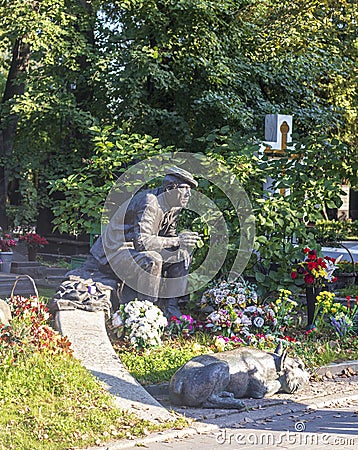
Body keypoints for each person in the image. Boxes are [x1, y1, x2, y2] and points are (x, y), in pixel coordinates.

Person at [90, 167, 200, 318]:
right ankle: (146, 310)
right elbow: (142, 242)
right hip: (115, 253)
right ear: (170, 189)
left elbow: (169, 236)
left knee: (182, 253)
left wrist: (182, 242)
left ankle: (171, 306)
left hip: (135, 250)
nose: (189, 194)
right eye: (185, 189)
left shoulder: (174, 206)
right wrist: (176, 240)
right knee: (153, 259)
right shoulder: (150, 202)